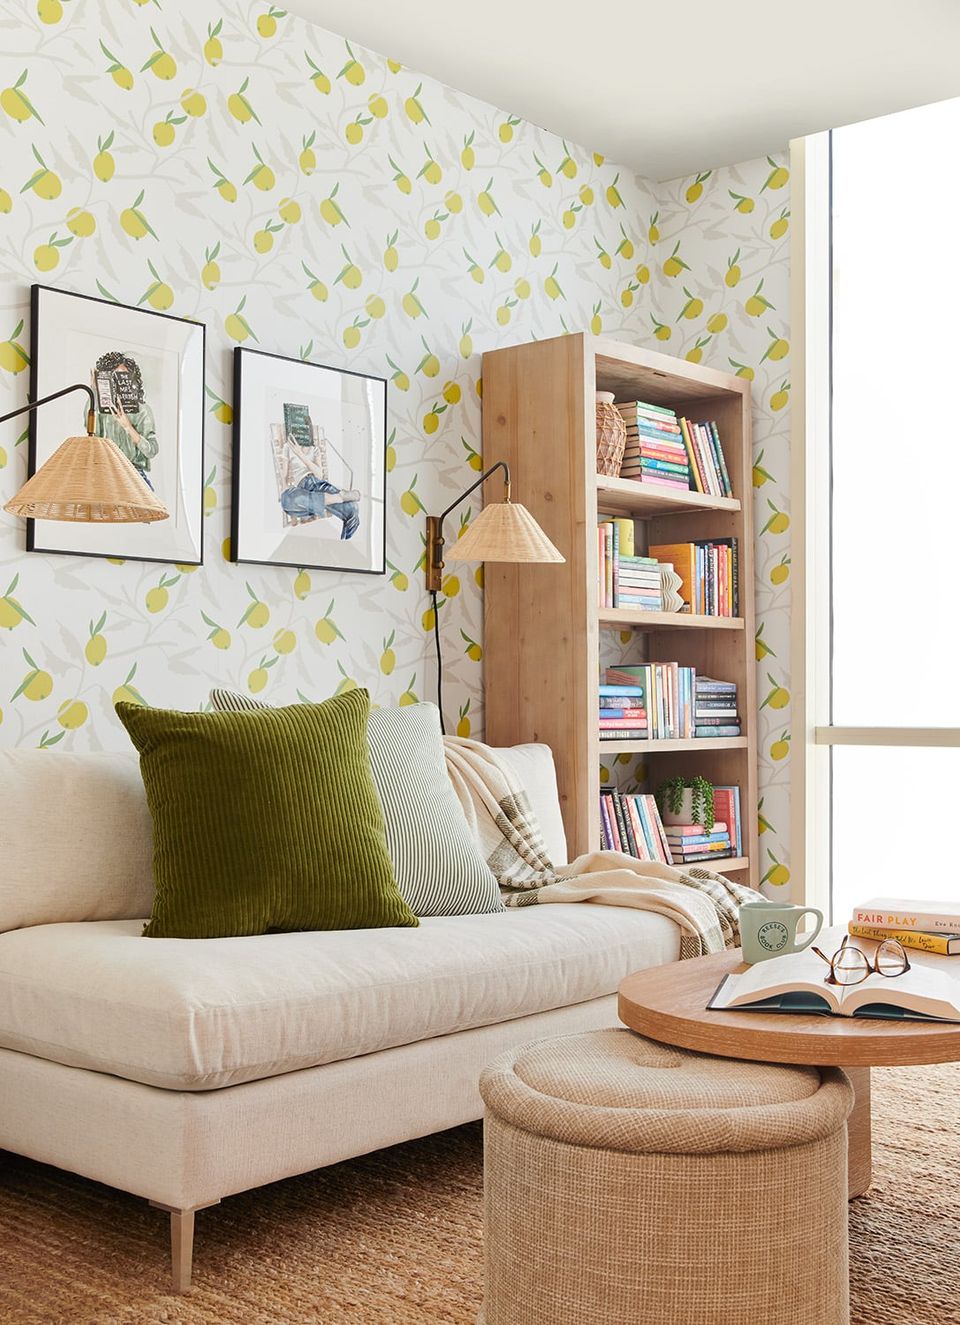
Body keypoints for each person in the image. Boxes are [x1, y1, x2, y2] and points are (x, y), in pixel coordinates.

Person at [90, 352, 159, 488]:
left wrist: (128, 427)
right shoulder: (104, 411)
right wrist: (94, 391)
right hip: (106, 471)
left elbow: (151, 450)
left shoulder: (143, 410)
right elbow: (92, 433)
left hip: (134, 474)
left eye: (122, 376)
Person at [280, 438, 360, 540]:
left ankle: (345, 542)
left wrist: (300, 454)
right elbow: (284, 474)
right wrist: (284, 490)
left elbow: (319, 475)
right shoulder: (288, 447)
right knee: (286, 499)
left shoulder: (314, 449)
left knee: (353, 509)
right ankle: (339, 497)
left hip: (317, 484)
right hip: (302, 490)